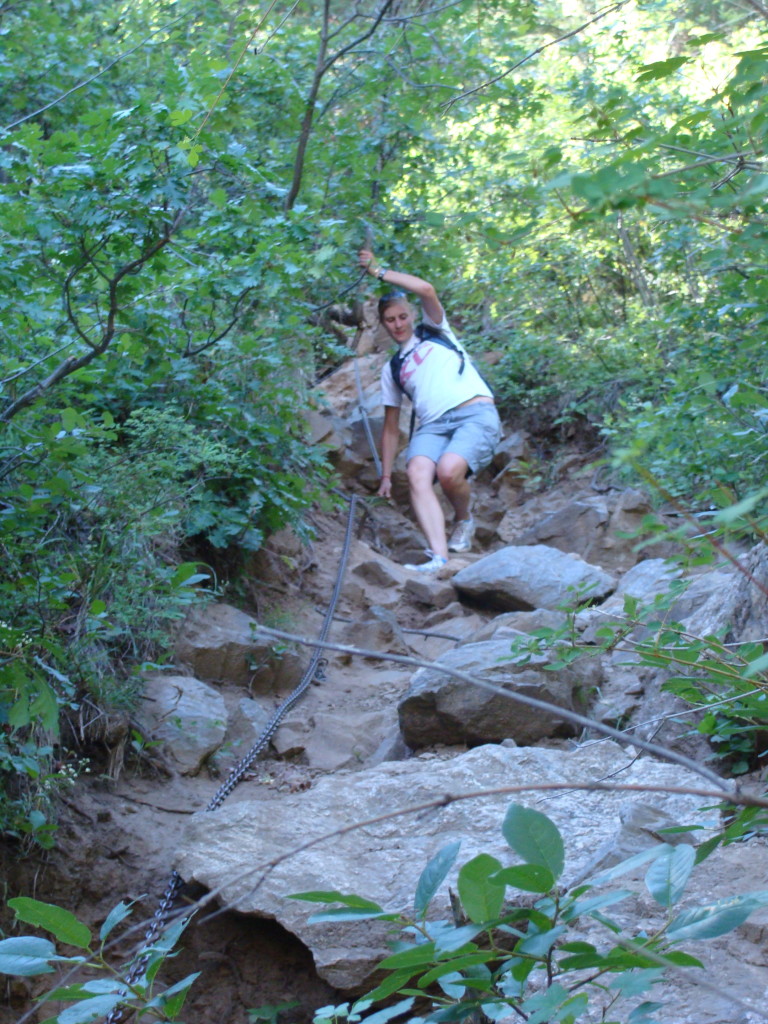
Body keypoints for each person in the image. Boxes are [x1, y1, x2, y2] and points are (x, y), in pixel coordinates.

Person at [358, 248, 501, 573]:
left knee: (449, 471)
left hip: (474, 412)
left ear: (411, 315)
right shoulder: (392, 369)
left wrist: (379, 272)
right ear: (383, 324)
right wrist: (384, 474)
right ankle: (439, 558)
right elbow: (392, 427)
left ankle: (464, 519)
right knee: (417, 473)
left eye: (402, 316)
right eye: (390, 320)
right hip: (433, 426)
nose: (398, 325)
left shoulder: (436, 331)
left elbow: (425, 290)